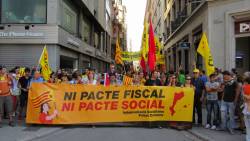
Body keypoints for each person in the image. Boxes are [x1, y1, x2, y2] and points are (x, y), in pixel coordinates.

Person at [242, 77, 250, 141]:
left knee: (247, 126)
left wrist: (243, 94)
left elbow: (247, 98)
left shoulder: (247, 87)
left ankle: (248, 138)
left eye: (244, 82)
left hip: (248, 109)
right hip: (247, 108)